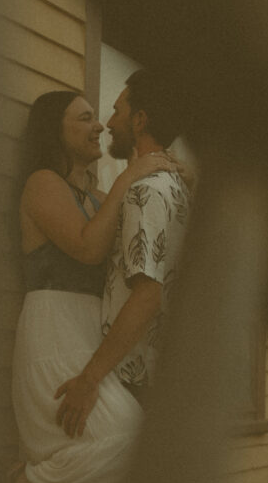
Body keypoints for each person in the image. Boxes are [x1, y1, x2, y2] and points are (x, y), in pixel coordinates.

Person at [8, 89, 173, 483]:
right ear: (56, 131)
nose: (100, 124)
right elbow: (85, 244)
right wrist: (133, 176)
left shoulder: (101, 194)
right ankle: (33, 480)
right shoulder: (42, 184)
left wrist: (161, 186)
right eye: (84, 118)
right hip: (52, 337)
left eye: (100, 117)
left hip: (89, 336)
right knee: (129, 442)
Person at [54, 69, 192, 430]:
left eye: (117, 111)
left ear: (140, 120)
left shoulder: (143, 192)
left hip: (133, 379)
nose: (109, 123)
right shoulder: (179, 189)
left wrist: (90, 378)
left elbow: (148, 295)